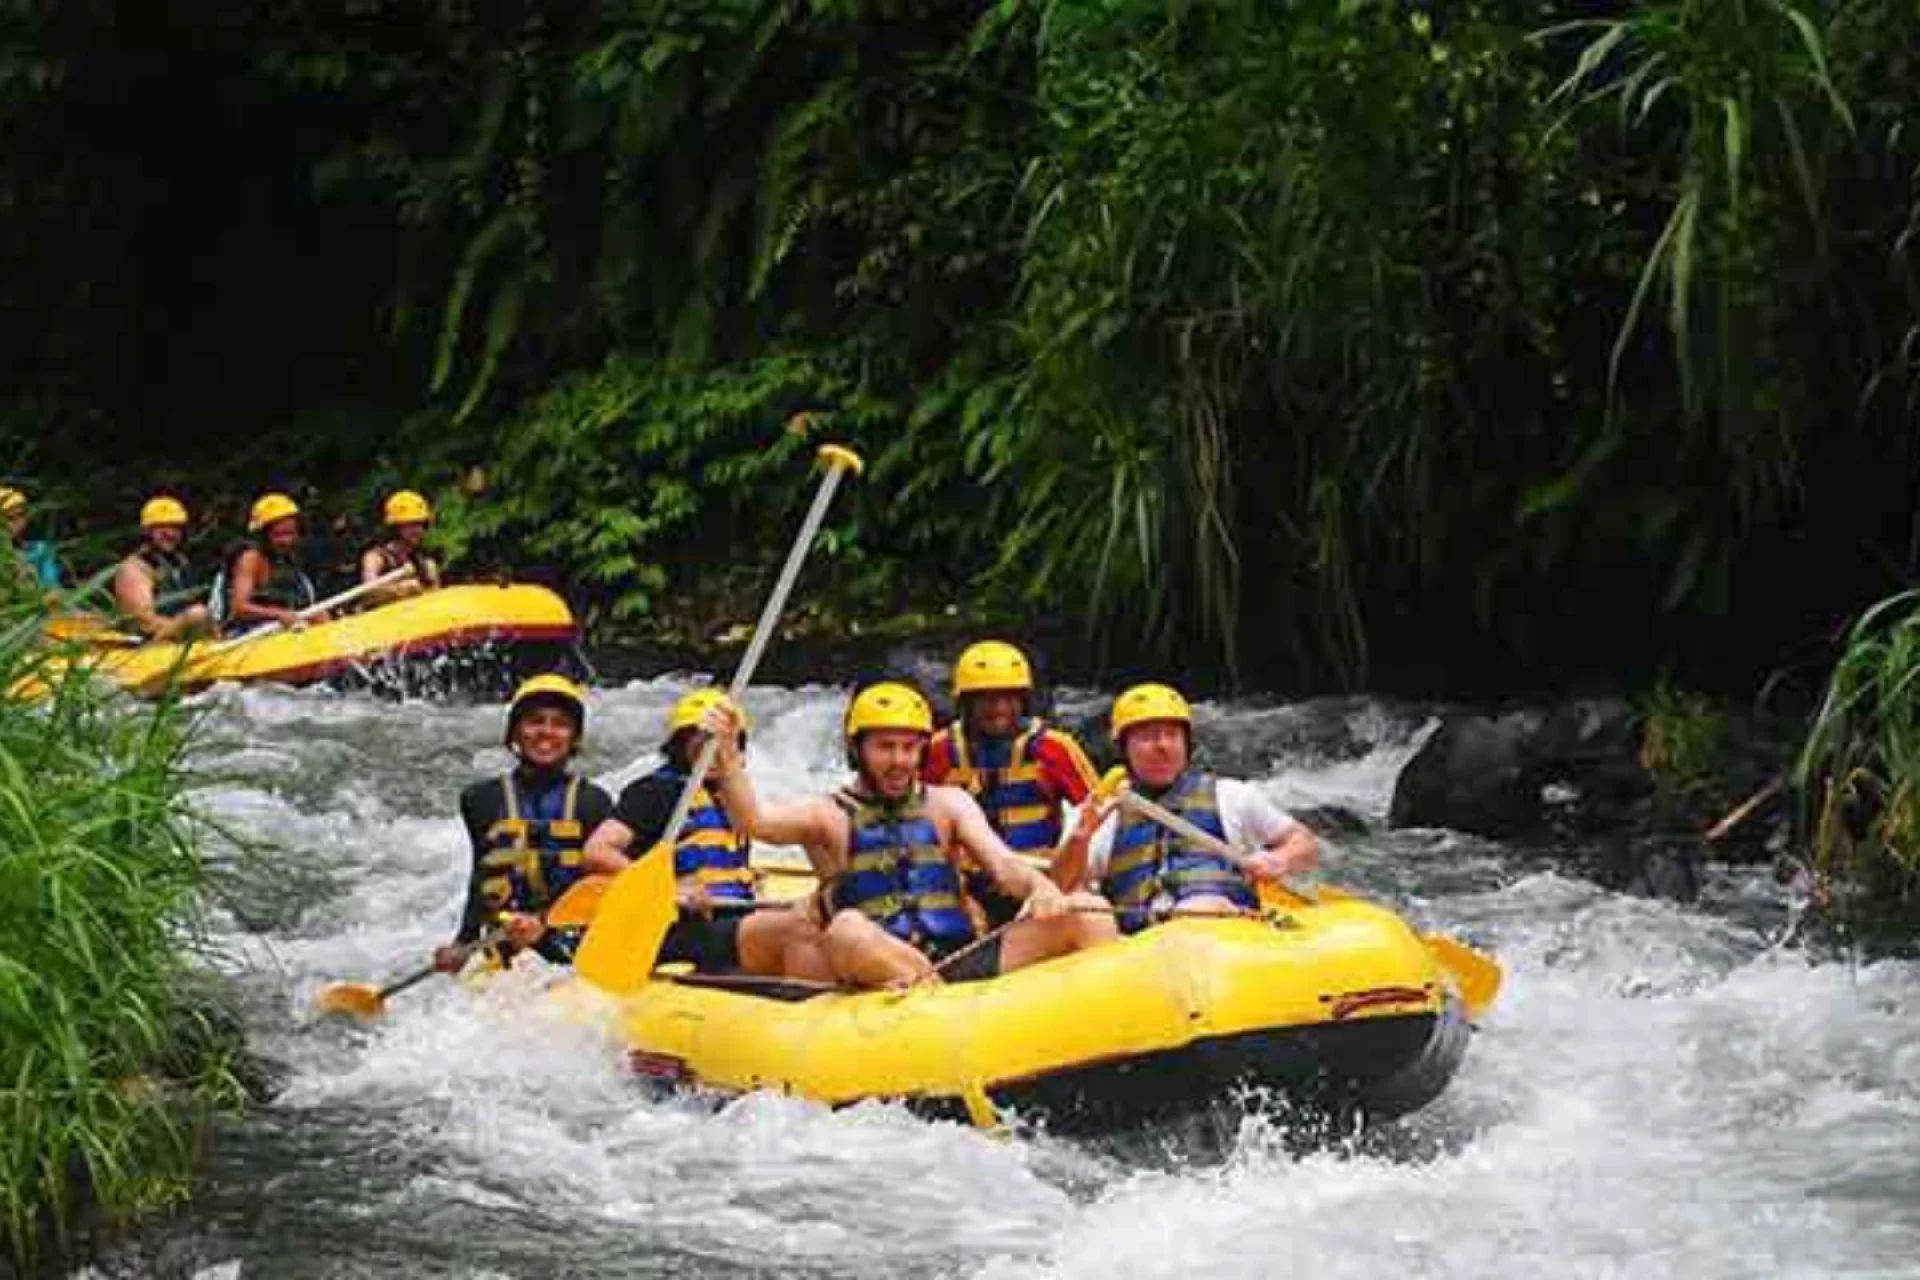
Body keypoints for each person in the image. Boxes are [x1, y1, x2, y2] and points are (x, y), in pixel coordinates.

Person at [705, 681, 1117, 989]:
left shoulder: (949, 803)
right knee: (846, 927)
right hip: (878, 965)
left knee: (1085, 907)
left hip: (959, 957)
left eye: (910, 747)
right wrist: (726, 757)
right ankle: (931, 1007)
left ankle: (1115, 1044)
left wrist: (1038, 885)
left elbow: (1003, 864)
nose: (900, 760)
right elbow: (755, 822)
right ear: (858, 751)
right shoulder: (826, 815)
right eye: (885, 747)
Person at [581, 689, 830, 979]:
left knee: (816, 919)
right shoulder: (655, 792)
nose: (715, 755)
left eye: (724, 746)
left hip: (728, 919)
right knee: (795, 931)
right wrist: (669, 889)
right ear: (681, 746)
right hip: (679, 928)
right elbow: (597, 851)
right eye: (703, 745)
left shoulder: (731, 798)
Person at [1054, 683, 1321, 932]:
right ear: (1124, 749)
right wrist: (1080, 839)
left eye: (1172, 735)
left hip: (1221, 928)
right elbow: (1062, 886)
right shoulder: (1101, 813)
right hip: (1136, 946)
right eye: (1147, 737)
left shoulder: (1231, 796)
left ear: (1187, 744)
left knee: (1196, 910)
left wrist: (1279, 860)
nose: (1162, 746)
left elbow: (1304, 843)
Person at [435, 675, 613, 972]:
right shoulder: (480, 799)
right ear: (514, 733)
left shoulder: (594, 802)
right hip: (503, 944)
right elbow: (483, 873)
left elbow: (603, 887)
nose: (546, 732)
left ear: (574, 738)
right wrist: (463, 942)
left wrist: (543, 924)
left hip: (569, 945)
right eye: (534, 721)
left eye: (560, 723)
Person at [922, 640, 1100, 922]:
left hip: (1042, 878)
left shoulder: (1054, 748)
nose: (999, 708)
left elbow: (1098, 815)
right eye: (986, 699)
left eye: (1008, 698)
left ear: (1024, 700)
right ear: (965, 703)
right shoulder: (938, 751)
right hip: (969, 886)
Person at [211, 493, 323, 634]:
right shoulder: (250, 559)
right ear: (263, 535)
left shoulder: (288, 559)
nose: (287, 541)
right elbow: (239, 608)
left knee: (320, 616)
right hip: (244, 633)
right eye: (279, 535)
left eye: (291, 533)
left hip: (278, 628)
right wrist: (279, 614)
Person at [111, 496, 213, 642]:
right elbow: (145, 623)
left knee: (200, 614)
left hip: (177, 636)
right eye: (161, 527)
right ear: (146, 531)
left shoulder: (179, 562)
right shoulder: (133, 569)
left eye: (175, 527)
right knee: (197, 614)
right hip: (147, 644)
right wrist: (190, 624)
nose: (170, 533)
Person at [359, 489, 442, 604]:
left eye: (421, 524)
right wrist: (400, 589)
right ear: (395, 527)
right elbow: (369, 591)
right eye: (411, 524)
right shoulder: (375, 558)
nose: (418, 530)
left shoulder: (426, 564)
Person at [2, 487, 62, 590]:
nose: (16, 523)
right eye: (10, 518)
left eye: (20, 515)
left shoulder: (39, 549)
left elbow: (50, 584)